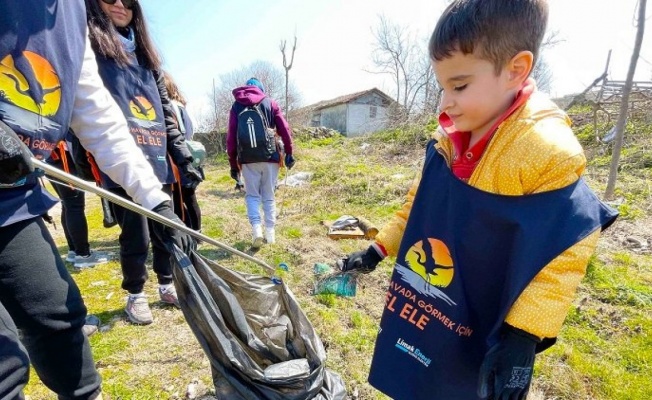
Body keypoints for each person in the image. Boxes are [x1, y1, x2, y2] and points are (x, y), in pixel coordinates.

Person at [338, 1, 618, 399]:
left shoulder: (547, 152)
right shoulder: (446, 140)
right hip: (430, 299)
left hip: (482, 314)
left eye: (460, 86)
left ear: (515, 70)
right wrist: (377, 248)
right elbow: (421, 206)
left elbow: (562, 254)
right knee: (416, 375)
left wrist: (524, 333)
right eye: (442, 87)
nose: (444, 103)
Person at [0, 0, 193, 398]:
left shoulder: (73, 14)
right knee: (5, 367)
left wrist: (154, 200)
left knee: (59, 317)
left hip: (11, 199)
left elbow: (98, 117)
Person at [85, 0, 203, 324]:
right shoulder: (91, 53)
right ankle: (135, 293)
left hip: (157, 159)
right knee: (136, 235)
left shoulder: (148, 60)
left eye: (128, 0)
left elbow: (166, 115)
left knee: (166, 227)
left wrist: (182, 154)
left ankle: (166, 284)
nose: (121, 5)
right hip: (121, 162)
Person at [227, 78, 295, 248]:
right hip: (270, 156)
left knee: (252, 196)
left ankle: (257, 230)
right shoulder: (270, 103)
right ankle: (270, 234)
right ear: (261, 89)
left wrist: (233, 164)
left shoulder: (236, 106)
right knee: (269, 196)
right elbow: (284, 129)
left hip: (247, 159)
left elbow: (231, 138)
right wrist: (289, 151)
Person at [48, 134, 111, 269]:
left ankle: (74, 250)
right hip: (62, 155)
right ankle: (83, 255)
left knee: (68, 204)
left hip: (51, 155)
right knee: (74, 204)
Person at [163, 71, 203, 233]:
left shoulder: (169, 106)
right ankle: (196, 233)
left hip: (179, 160)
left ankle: (191, 234)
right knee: (190, 198)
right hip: (189, 156)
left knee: (184, 198)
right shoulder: (181, 106)